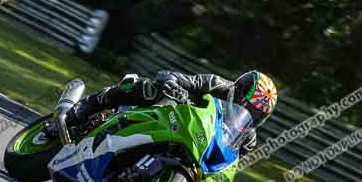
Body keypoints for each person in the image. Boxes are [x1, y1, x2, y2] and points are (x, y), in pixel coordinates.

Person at [67, 70, 278, 155]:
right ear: (238, 92)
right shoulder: (215, 84)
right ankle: (89, 105)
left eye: (256, 113)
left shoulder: (247, 137)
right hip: (169, 113)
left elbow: (231, 160)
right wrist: (172, 84)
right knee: (149, 89)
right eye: (249, 106)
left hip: (191, 143)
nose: (249, 112)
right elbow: (172, 76)